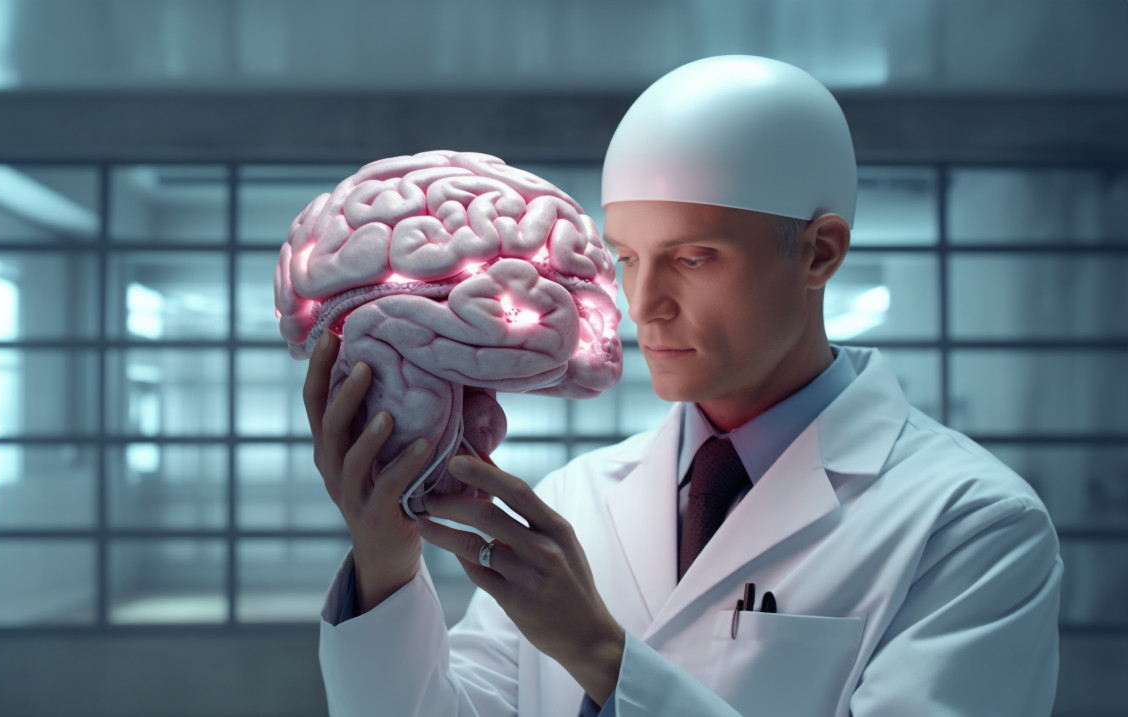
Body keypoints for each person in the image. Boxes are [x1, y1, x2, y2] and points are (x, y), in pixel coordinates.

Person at [307, 55, 1063, 716]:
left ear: (819, 253)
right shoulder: (579, 499)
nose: (644, 305)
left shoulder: (971, 526)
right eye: (629, 258)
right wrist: (386, 563)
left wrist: (602, 654)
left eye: (693, 257)